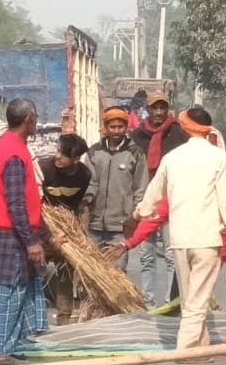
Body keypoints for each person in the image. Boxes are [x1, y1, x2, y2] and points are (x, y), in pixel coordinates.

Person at [133, 107, 226, 355]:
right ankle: (187, 349)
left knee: (191, 295)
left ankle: (200, 347)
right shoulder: (219, 157)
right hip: (207, 238)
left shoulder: (172, 157)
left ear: (185, 127)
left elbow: (153, 195)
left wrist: (138, 214)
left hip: (180, 239)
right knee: (197, 300)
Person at [0, 99, 50, 365]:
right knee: (6, 292)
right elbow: (15, 202)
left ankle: (8, 344)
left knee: (19, 290)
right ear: (29, 120)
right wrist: (30, 240)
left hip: (8, 230)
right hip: (10, 233)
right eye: (35, 119)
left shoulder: (7, 146)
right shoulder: (12, 152)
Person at [131, 91, 187, 305]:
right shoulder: (137, 137)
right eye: (155, 107)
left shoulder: (179, 134)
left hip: (172, 202)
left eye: (163, 107)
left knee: (172, 254)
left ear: (168, 109)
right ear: (148, 109)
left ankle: (171, 300)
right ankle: (148, 300)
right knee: (147, 254)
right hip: (146, 201)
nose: (159, 112)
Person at [83, 108, 146, 280]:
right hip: (95, 225)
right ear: (106, 128)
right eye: (113, 127)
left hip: (121, 226)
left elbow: (140, 189)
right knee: (92, 273)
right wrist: (86, 202)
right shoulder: (95, 152)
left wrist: (135, 218)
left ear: (126, 127)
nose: (117, 131)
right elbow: (90, 182)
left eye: (120, 126)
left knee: (117, 274)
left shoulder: (135, 153)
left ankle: (116, 308)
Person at [40, 134, 92, 322]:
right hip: (43, 228)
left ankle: (64, 317)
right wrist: (48, 232)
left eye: (63, 154)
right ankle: (34, 317)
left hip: (66, 230)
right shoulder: (44, 168)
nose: (58, 156)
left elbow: (78, 206)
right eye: (58, 151)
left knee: (66, 274)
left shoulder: (84, 175)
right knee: (35, 273)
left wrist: (79, 230)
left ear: (76, 159)